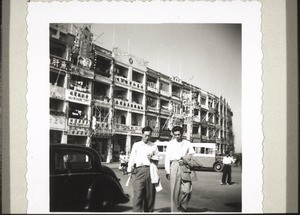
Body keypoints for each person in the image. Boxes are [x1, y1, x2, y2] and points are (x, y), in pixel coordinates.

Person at [127, 126, 159, 212]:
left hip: (150, 171)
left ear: (151, 135)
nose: (147, 137)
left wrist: (152, 157)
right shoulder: (136, 145)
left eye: (149, 135)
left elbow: (158, 158)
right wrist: (129, 170)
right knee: (138, 194)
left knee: (150, 195)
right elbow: (132, 158)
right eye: (145, 135)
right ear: (142, 134)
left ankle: (148, 212)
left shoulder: (154, 146)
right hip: (139, 170)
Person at [165, 126, 196, 212]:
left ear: (182, 134)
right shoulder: (170, 143)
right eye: (175, 135)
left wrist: (185, 160)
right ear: (173, 134)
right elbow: (167, 158)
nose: (177, 136)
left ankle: (182, 206)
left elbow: (192, 155)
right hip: (174, 165)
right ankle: (174, 210)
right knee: (175, 190)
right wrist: (167, 171)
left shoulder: (187, 143)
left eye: (178, 134)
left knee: (187, 190)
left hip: (185, 166)